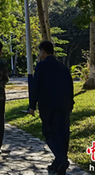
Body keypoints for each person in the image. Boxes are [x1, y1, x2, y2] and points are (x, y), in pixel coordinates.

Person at [29, 40, 74, 175]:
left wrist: (32, 106)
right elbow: (70, 86)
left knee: (49, 133)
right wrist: (71, 103)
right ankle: (58, 163)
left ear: (43, 51)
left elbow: (35, 86)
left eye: (39, 52)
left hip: (48, 105)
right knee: (63, 134)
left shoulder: (41, 66)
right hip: (64, 105)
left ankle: (62, 159)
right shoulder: (63, 67)